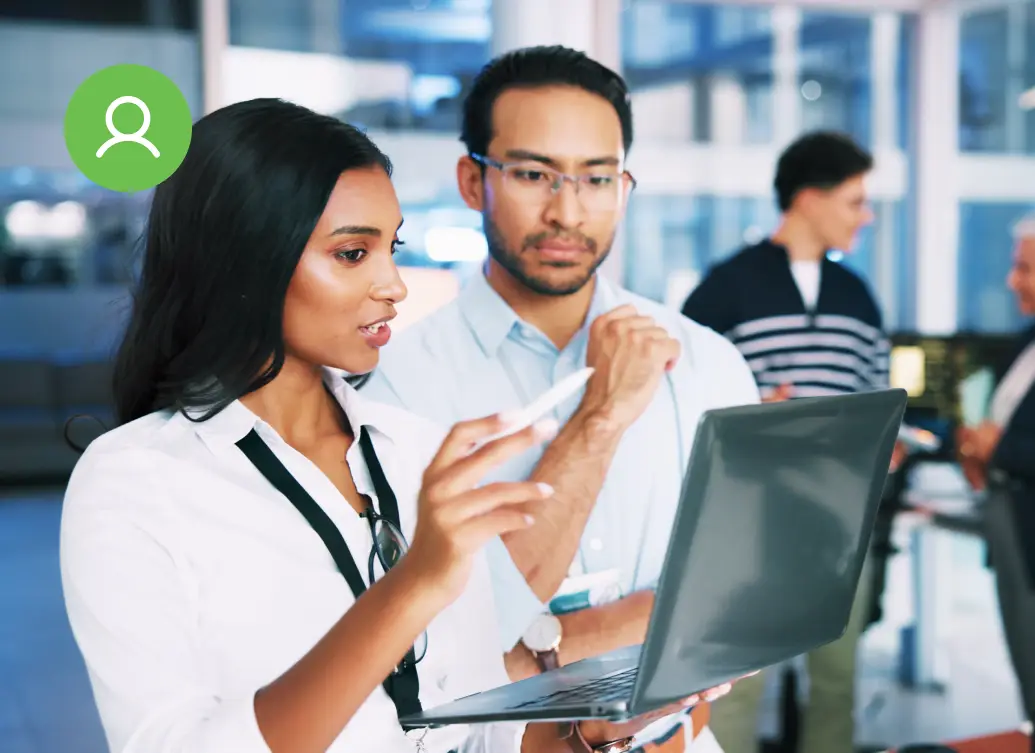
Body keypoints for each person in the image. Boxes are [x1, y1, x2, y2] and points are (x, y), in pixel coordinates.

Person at [59, 98, 715, 753]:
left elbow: (478, 726)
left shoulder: (412, 449)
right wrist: (414, 583)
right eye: (351, 253)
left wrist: (597, 731)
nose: (393, 284)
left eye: (390, 247)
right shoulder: (135, 481)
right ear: (247, 257)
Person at [362, 46, 760, 753]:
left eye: (596, 178)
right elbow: (423, 655)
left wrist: (539, 648)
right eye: (532, 174)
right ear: (471, 179)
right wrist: (602, 414)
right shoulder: (395, 383)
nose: (566, 209)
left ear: (624, 186)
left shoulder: (707, 362)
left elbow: (742, 603)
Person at [681, 130, 903, 753]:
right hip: (748, 526)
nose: (867, 215)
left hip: (838, 524)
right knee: (735, 689)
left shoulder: (859, 297)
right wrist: (751, 416)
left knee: (837, 684)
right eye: (856, 200)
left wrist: (888, 443)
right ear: (809, 198)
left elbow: (876, 398)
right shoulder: (724, 289)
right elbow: (683, 403)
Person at [957, 214, 1035, 750]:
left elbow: (1006, 439)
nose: (1012, 281)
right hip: (1012, 524)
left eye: (1024, 268)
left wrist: (996, 447)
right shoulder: (1025, 341)